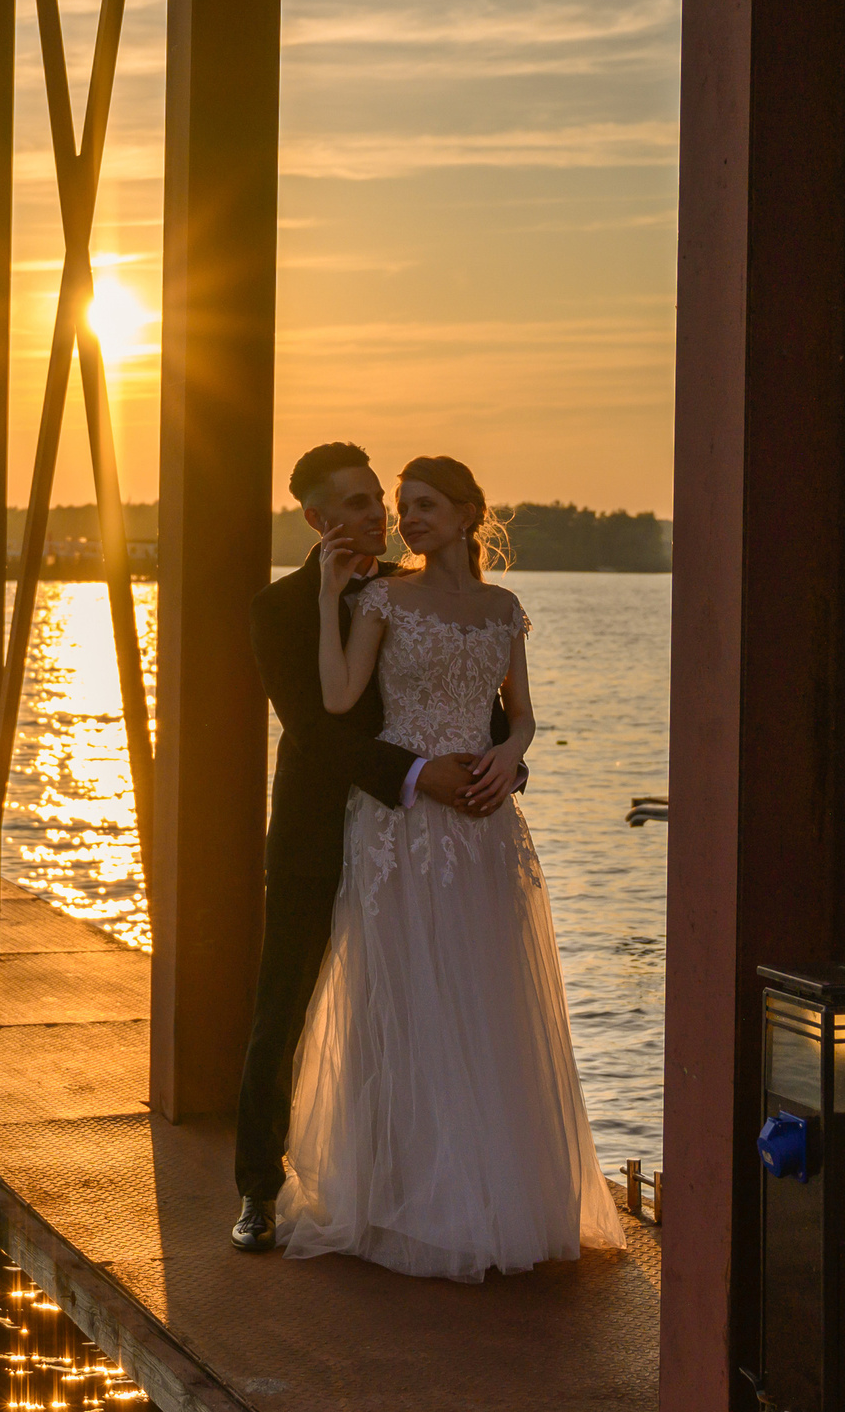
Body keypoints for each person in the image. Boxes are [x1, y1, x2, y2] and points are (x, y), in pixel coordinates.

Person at [277, 454, 622, 1281]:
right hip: (401, 828)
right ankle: (401, 1194)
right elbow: (334, 698)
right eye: (404, 507)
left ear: (470, 514)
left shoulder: (505, 608)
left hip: (482, 824)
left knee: (482, 996)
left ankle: (491, 1195)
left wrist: (511, 756)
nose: (408, 520)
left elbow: (524, 717)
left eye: (425, 506)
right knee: (401, 993)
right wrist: (329, 599)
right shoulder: (385, 599)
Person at [230, 442, 517, 1255]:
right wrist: (419, 772)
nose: (377, 517)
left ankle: (406, 1181)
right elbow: (317, 730)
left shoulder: (407, 591)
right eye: (355, 505)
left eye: (377, 502)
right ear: (318, 519)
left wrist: (503, 759)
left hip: (416, 843)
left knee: (413, 1006)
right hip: (322, 830)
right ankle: (257, 1186)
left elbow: (474, 702)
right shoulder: (278, 609)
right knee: (283, 1004)